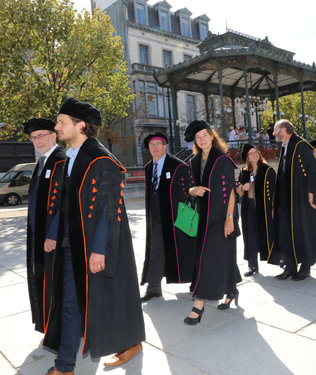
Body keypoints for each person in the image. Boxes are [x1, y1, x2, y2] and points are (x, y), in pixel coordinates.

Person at [43, 98, 145, 375]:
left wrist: (98, 249)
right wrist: (52, 234)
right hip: (70, 243)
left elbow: (107, 211)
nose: (57, 127)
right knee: (75, 302)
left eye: (62, 122)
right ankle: (67, 364)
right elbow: (62, 204)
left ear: (82, 126)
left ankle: (65, 366)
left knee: (89, 300)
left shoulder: (102, 161)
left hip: (92, 245)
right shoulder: (69, 158)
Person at [183, 120, 241, 325]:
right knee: (222, 255)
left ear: (211, 135)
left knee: (207, 259)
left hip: (221, 217)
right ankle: (232, 289)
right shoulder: (194, 161)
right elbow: (190, 187)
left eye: (204, 135)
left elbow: (232, 191)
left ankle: (198, 305)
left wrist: (229, 219)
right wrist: (193, 190)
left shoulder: (222, 159)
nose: (201, 140)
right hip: (202, 218)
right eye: (197, 138)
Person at [140, 132, 196, 302]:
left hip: (176, 219)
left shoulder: (178, 166)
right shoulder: (149, 167)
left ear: (165, 146)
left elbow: (188, 193)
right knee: (155, 252)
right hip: (156, 218)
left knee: (187, 250)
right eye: (152, 145)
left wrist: (186, 217)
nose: (155, 148)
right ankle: (154, 287)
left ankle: (196, 282)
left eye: (159, 144)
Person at [23, 118, 66, 337]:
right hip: (37, 233)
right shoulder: (42, 162)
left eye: (41, 136)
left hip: (53, 237)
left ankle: (58, 328)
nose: (37, 141)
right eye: (33, 137)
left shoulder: (61, 160)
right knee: (42, 277)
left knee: (55, 281)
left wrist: (52, 234)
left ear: (53, 135)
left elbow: (63, 202)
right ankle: (47, 324)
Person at [269, 119, 316, 281]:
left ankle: (305, 268)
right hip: (286, 201)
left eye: (276, 129)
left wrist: (311, 194)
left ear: (285, 129)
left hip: (300, 200)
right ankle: (290, 267)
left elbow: (313, 170)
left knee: (302, 232)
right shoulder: (285, 146)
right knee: (285, 234)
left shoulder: (301, 145)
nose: (273, 133)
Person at [237, 143, 276, 276]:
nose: (254, 155)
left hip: (264, 209)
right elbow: (237, 190)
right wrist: (243, 188)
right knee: (250, 236)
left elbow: (276, 191)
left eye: (256, 152)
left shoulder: (268, 170)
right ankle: (252, 266)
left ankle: (281, 259)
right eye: (251, 153)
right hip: (249, 208)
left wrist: (273, 208)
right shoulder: (244, 172)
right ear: (247, 157)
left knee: (270, 234)